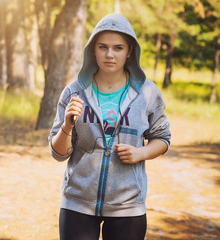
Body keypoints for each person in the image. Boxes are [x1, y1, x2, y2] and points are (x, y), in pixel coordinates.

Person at [49, 13, 171, 240]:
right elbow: (58, 154)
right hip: (77, 203)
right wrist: (67, 125)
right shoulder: (74, 92)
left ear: (129, 51)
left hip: (128, 206)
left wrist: (140, 153)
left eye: (118, 48)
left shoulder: (147, 93)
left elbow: (163, 138)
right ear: (93, 50)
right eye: (103, 47)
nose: (109, 54)